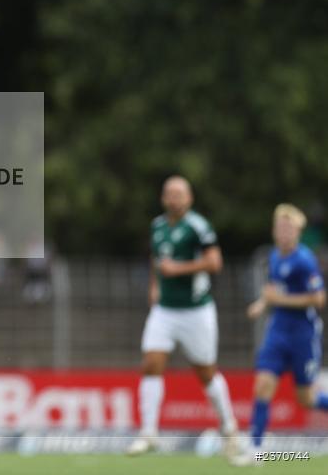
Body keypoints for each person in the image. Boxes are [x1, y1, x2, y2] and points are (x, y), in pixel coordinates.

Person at [127, 176, 241, 459]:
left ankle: (228, 426)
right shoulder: (157, 226)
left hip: (195, 310)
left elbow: (215, 262)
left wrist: (178, 269)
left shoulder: (198, 227)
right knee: (151, 363)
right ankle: (148, 433)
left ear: (189, 198)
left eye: (179, 194)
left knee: (206, 373)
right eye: (169, 194)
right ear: (163, 198)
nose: (174, 199)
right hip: (165, 309)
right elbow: (157, 260)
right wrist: (154, 286)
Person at [232, 204, 327, 466]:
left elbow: (318, 299)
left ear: (298, 232)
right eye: (280, 227)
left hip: (303, 334)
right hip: (277, 331)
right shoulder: (274, 256)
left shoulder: (305, 260)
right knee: (262, 385)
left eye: (288, 228)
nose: (283, 233)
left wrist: (279, 300)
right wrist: (262, 304)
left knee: (306, 399)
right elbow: (274, 289)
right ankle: (256, 450)